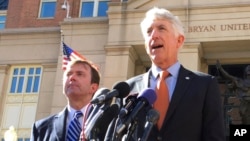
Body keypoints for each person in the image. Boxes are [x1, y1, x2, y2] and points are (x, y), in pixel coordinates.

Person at [125, 7, 226, 141]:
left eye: (161, 28)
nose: (154, 35)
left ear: (179, 40)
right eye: (149, 31)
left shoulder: (205, 85)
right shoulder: (128, 88)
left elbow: (214, 137)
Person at [30, 59, 100, 141]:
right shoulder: (41, 128)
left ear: (93, 87)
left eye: (80, 74)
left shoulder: (109, 123)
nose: (72, 77)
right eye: (68, 74)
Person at [216, 60, 250, 124]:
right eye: (248, 70)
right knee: (242, 114)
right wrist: (220, 68)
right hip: (244, 101)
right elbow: (228, 76)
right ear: (246, 72)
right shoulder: (240, 81)